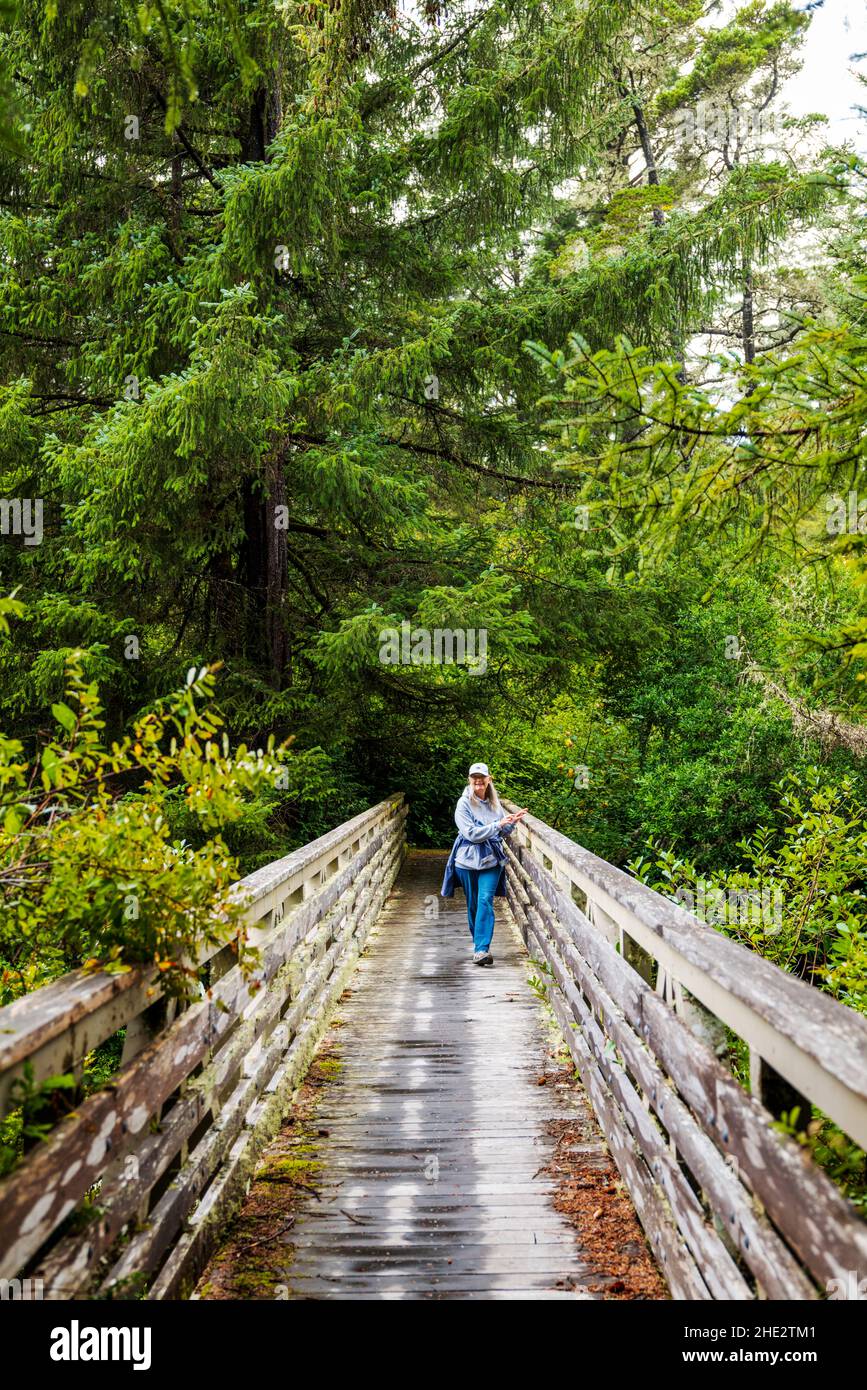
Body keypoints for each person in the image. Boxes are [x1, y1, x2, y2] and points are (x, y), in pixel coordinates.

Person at [440, 762, 528, 965]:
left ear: (489, 779)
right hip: (467, 861)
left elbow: (500, 832)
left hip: (491, 860)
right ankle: (478, 944)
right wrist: (498, 824)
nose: (478, 781)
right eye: (474, 778)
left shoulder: (494, 804)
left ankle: (481, 949)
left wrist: (511, 822)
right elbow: (471, 833)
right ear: (470, 780)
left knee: (485, 900)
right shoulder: (463, 804)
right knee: (472, 904)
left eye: (482, 777)